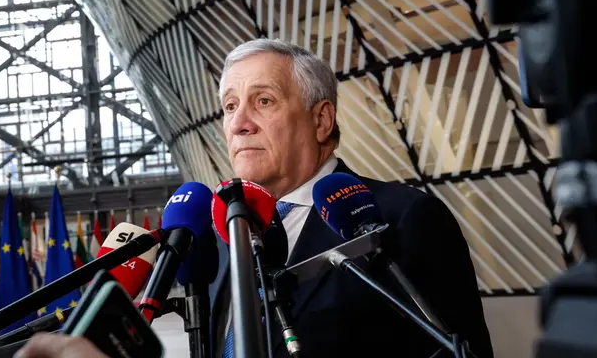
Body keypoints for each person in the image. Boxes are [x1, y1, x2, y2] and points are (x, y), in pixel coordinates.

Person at [210, 39, 494, 357]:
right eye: (230, 106)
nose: (238, 124)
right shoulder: (225, 234)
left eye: (264, 101)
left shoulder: (405, 217)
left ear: (321, 120)